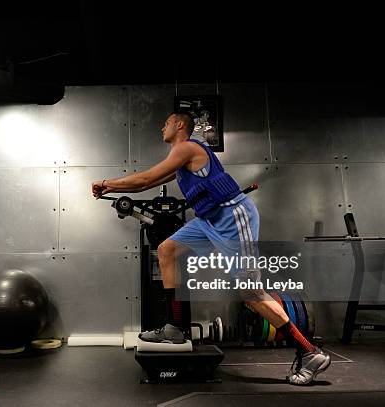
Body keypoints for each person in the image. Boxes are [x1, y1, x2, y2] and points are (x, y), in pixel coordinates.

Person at [92, 112, 331, 385]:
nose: (162, 127)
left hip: (232, 217)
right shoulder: (180, 160)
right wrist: (111, 189)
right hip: (208, 222)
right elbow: (149, 182)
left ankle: (309, 351)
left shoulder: (187, 148)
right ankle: (175, 328)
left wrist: (106, 183)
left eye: (166, 123)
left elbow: (144, 179)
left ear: (179, 125)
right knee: (166, 250)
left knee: (252, 295)